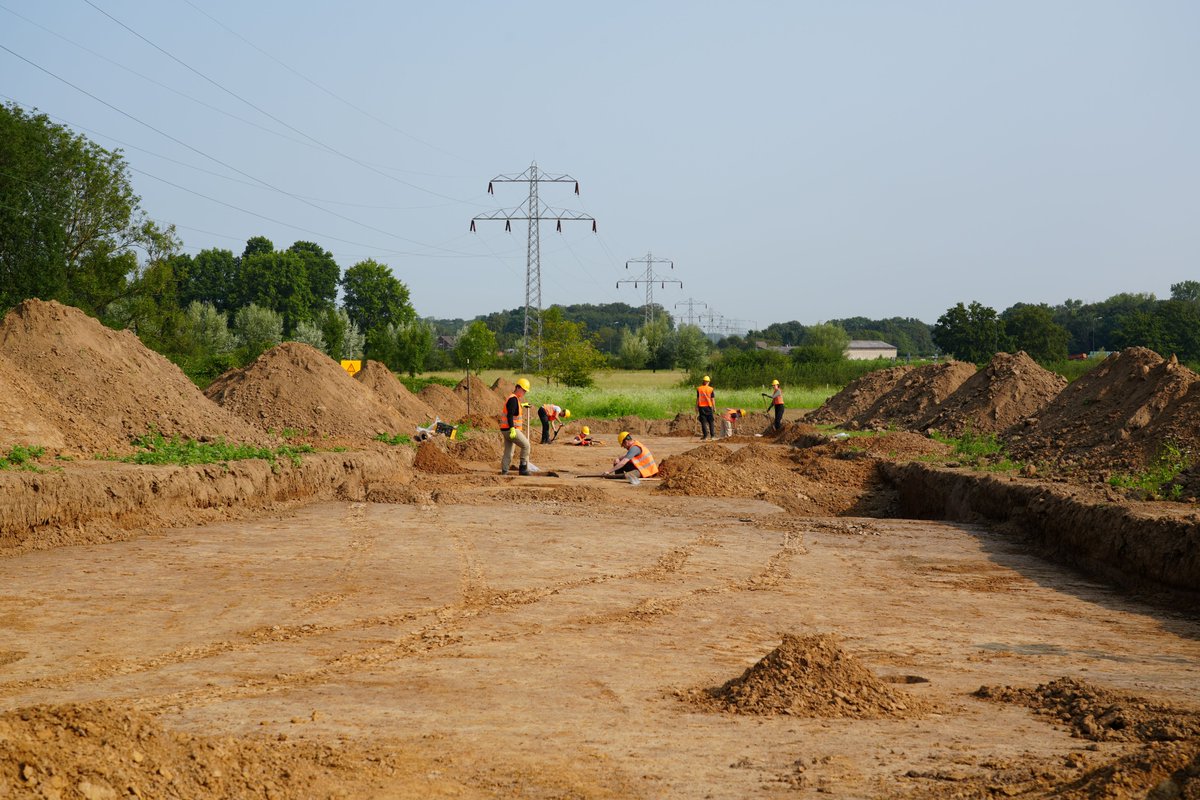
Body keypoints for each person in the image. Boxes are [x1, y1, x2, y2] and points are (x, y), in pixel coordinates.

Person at [499, 377, 532, 475]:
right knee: (526, 445)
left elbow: (513, 410)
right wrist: (512, 429)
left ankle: (504, 471)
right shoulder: (513, 399)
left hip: (505, 429)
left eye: (525, 391)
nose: (524, 393)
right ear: (518, 388)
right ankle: (523, 468)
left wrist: (523, 405)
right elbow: (510, 415)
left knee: (509, 452)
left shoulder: (514, 399)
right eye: (523, 390)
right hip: (511, 429)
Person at [696, 375, 716, 440]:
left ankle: (705, 436)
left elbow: (698, 398)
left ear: (703, 381)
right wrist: (714, 407)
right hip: (709, 407)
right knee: (711, 421)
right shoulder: (711, 389)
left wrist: (696, 406)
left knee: (703, 422)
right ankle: (712, 436)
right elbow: (712, 399)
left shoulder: (699, 388)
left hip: (701, 407)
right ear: (708, 382)